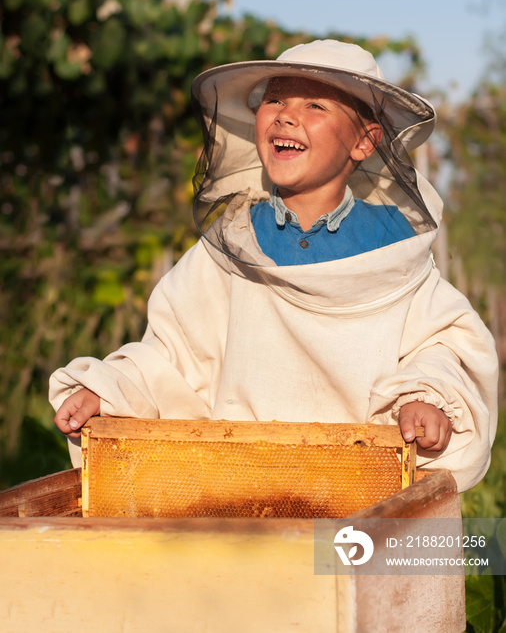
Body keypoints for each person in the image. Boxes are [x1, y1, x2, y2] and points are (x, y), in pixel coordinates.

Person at [50, 39, 498, 492]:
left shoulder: (392, 248)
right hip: (235, 484)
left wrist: (425, 399)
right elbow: (173, 352)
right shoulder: (232, 243)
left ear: (364, 141)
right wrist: (108, 391)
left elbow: (441, 342)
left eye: (316, 105)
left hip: (358, 486)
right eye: (275, 99)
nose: (286, 115)